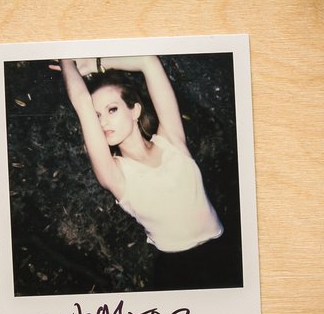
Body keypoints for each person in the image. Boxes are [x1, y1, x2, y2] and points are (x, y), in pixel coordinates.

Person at [50, 56, 224, 290]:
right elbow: (81, 101)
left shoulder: (171, 141)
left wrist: (96, 64)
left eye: (112, 109)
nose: (103, 122)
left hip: (225, 253)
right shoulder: (115, 174)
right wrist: (66, 58)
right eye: (97, 116)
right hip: (178, 273)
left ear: (135, 110)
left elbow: (148, 62)